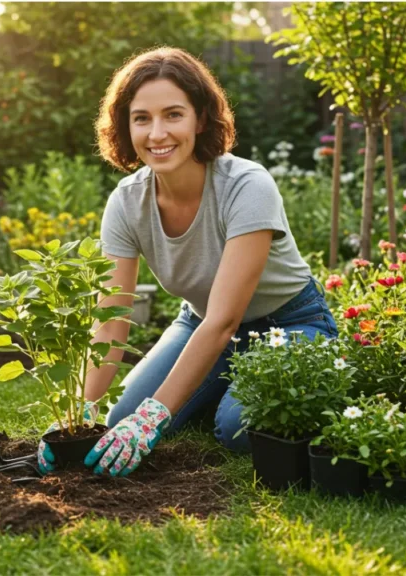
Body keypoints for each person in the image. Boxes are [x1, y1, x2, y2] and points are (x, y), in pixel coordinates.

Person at [35, 47, 338, 478]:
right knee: (121, 419)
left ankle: (255, 387)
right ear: (126, 126)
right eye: (142, 118)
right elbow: (110, 320)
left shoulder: (246, 185)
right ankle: (217, 385)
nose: (157, 133)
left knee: (236, 429)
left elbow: (225, 321)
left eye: (173, 114)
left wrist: (155, 415)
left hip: (290, 323)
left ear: (200, 119)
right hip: (198, 323)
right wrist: (77, 412)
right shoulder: (126, 202)